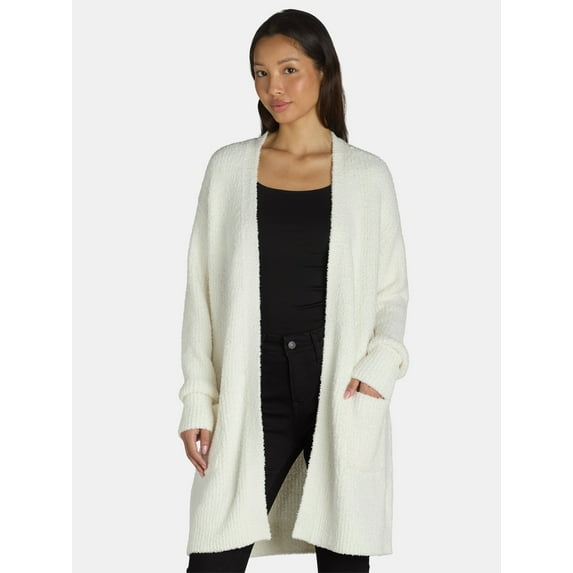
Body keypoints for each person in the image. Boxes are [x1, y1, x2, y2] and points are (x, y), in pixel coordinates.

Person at [178, 8, 410, 573]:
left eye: (288, 70)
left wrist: (381, 365)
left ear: (323, 71)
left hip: (340, 383)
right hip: (251, 380)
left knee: (343, 556)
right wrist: (198, 400)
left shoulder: (368, 175)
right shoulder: (229, 169)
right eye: (260, 73)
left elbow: (391, 292)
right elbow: (200, 294)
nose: (273, 88)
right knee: (213, 557)